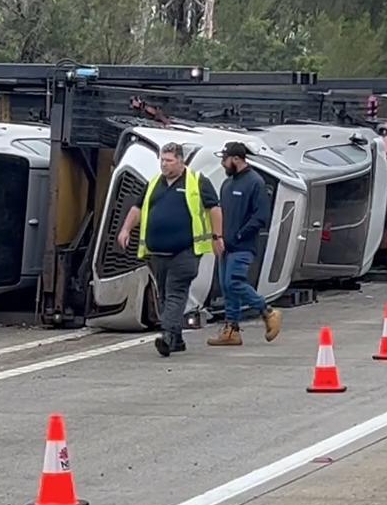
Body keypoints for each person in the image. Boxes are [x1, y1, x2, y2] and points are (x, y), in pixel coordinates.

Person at [118, 142, 223, 357]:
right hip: (157, 252)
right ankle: (177, 339)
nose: (164, 165)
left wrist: (217, 236)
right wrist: (126, 229)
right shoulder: (154, 183)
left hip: (186, 250)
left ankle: (166, 335)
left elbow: (214, 208)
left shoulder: (197, 182)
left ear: (181, 160)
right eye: (162, 160)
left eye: (169, 160)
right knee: (164, 295)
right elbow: (138, 207)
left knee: (175, 292)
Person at [207, 141, 281, 347]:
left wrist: (240, 236)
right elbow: (221, 213)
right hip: (226, 246)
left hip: (243, 246)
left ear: (236, 159)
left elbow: (260, 216)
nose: (223, 163)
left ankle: (268, 311)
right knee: (227, 287)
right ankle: (231, 330)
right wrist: (218, 237)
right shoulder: (227, 184)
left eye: (225, 159)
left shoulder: (255, 182)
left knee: (234, 282)